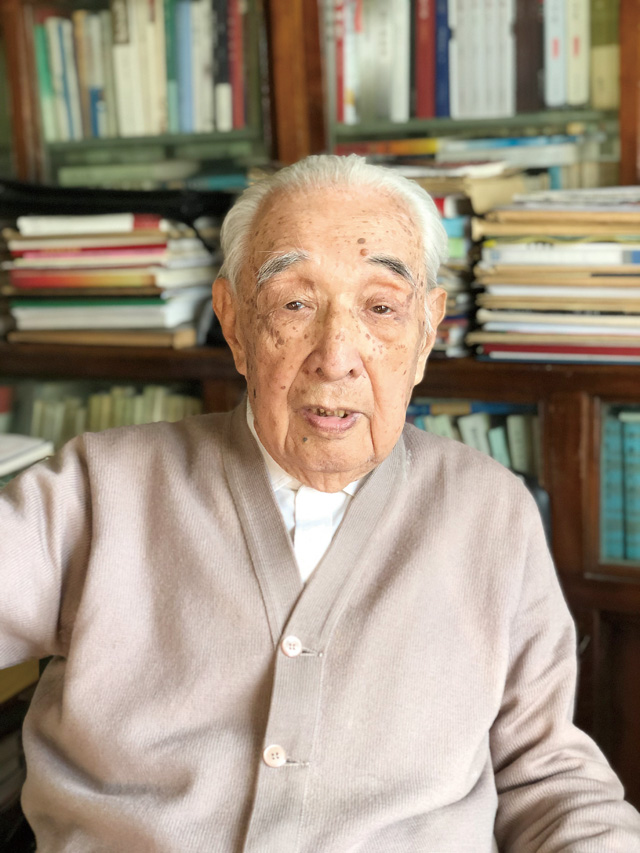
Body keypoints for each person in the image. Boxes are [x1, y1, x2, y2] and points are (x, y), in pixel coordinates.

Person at [1, 154, 640, 853]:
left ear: (427, 331)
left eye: (381, 308)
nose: (335, 356)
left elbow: (545, 772)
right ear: (235, 323)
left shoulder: (492, 512)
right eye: (295, 304)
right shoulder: (98, 491)